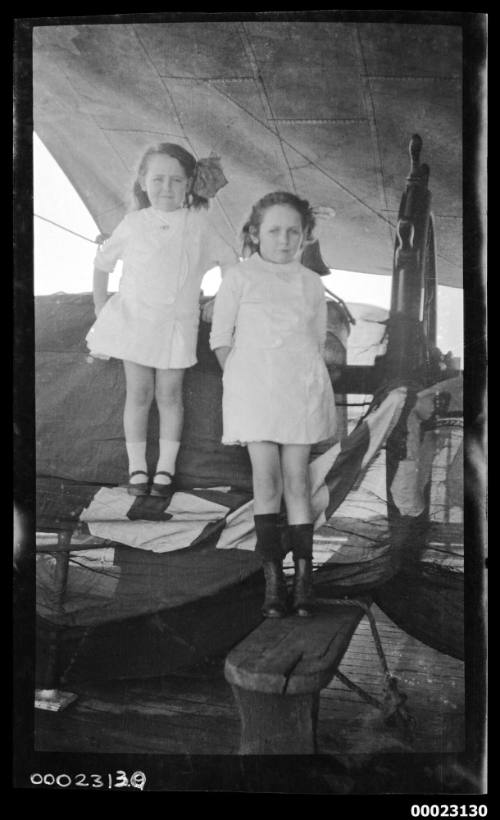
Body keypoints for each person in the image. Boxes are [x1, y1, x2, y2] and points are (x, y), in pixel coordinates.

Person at [209, 192, 337, 617]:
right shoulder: (240, 278)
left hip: (299, 391)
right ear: (255, 233)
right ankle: (272, 585)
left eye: (293, 232)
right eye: (275, 231)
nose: (284, 240)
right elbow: (220, 339)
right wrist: (245, 377)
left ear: (305, 236)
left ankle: (303, 581)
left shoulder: (310, 282)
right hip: (254, 394)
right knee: (267, 484)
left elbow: (316, 341)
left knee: (297, 484)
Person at [86, 143, 237, 497]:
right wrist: (99, 305)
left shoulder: (199, 225)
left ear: (189, 184)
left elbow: (231, 263)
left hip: (176, 326)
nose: (166, 188)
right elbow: (102, 263)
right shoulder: (133, 223)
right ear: (142, 181)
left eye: (175, 180)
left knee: (170, 396)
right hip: (136, 322)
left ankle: (165, 470)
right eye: (157, 179)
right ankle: (137, 469)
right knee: (138, 394)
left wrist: (220, 301)